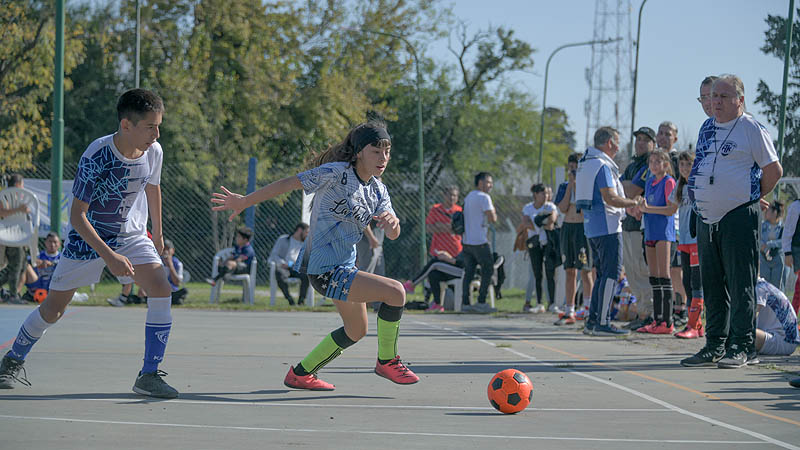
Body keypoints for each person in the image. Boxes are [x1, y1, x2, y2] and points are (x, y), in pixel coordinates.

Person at [211, 121, 419, 390]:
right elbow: (288, 183)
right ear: (358, 152)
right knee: (396, 292)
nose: (383, 158)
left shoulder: (378, 190)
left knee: (356, 331)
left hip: (343, 269)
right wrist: (244, 201)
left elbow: (393, 233)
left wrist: (393, 224)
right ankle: (387, 360)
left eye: (387, 151)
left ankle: (301, 373)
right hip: (323, 269)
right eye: (376, 151)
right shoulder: (335, 173)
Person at [0, 88, 179, 398]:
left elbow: (153, 190)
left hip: (132, 235)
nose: (156, 133)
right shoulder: (96, 155)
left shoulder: (155, 151)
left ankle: (149, 374)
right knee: (54, 308)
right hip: (89, 239)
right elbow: (77, 215)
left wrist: (158, 235)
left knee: (161, 287)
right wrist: (108, 256)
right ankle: (12, 360)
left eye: (158, 125)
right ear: (126, 125)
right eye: (150, 126)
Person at [682, 74, 783, 368]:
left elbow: (773, 170)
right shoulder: (707, 127)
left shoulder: (750, 128)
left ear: (740, 99)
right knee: (711, 283)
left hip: (739, 216)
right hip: (707, 217)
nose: (716, 102)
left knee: (741, 282)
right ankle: (715, 343)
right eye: (713, 96)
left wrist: (749, 197)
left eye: (724, 96)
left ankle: (743, 345)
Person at [575, 126, 642, 336]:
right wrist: (633, 202)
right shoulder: (602, 165)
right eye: (617, 142)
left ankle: (593, 319)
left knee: (602, 274)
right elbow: (610, 198)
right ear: (610, 143)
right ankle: (602, 322)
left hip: (593, 226)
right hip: (607, 225)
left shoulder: (586, 163)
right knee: (611, 273)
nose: (619, 147)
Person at [635, 151, 677, 334]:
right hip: (650, 231)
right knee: (653, 276)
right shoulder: (649, 182)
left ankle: (667, 322)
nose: (654, 164)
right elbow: (645, 207)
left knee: (664, 275)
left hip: (664, 233)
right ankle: (657, 319)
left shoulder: (669, 181)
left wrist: (648, 208)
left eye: (658, 161)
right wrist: (639, 209)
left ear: (666, 164)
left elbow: (671, 209)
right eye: (651, 161)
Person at [619, 127, 655, 330]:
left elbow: (632, 190)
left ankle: (649, 313)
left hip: (642, 225)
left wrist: (624, 186)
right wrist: (624, 186)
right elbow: (618, 187)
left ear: (652, 144)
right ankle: (641, 312)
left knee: (642, 270)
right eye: (638, 139)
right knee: (631, 272)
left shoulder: (650, 165)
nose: (640, 143)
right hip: (628, 222)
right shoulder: (633, 165)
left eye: (645, 140)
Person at [668, 151, 705, 339]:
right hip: (683, 241)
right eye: (681, 165)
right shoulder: (680, 187)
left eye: (688, 164)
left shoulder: (700, 184)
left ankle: (693, 324)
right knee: (687, 282)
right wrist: (646, 209)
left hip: (697, 241)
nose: (684, 168)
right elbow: (670, 209)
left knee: (697, 283)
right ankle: (696, 325)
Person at [554, 153, 594, 325]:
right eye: (571, 167)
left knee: (585, 269)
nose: (573, 170)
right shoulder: (564, 186)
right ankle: (569, 309)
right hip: (567, 228)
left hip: (581, 229)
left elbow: (583, 209)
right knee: (569, 270)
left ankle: (588, 308)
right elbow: (562, 208)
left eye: (576, 167)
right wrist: (570, 186)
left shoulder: (586, 186)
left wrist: (577, 187)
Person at [655, 121, 687, 325]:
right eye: (661, 133)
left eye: (668, 134)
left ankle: (682, 309)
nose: (664, 137)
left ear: (675, 138)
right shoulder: (654, 161)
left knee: (676, 270)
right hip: (656, 222)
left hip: (676, 222)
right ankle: (661, 311)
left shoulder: (678, 160)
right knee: (660, 270)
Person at [460, 172, 497, 313]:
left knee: (469, 272)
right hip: (480, 241)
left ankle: (466, 303)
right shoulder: (484, 197)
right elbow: (493, 218)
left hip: (467, 241)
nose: (490, 185)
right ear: (480, 183)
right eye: (488, 182)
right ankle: (481, 301)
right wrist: (493, 211)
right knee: (488, 269)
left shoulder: (469, 196)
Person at [520, 183, 558, 314]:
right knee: (537, 273)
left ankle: (552, 303)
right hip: (534, 243)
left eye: (547, 193)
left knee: (550, 272)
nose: (546, 196)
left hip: (548, 242)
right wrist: (540, 223)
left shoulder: (550, 206)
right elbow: (525, 223)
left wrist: (538, 223)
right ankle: (539, 303)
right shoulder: (528, 208)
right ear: (536, 195)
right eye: (543, 193)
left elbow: (551, 221)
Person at [0, 174, 30, 304]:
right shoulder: (5, 196)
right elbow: (2, 213)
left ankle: (13, 293)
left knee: (22, 265)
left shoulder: (22, 198)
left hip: (19, 235)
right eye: (22, 185)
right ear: (18, 185)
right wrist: (19, 209)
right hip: (7, 235)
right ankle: (13, 295)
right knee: (16, 264)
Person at [753, 278, 799, 357]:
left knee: (743, 333)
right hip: (789, 340)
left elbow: (749, 322)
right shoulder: (763, 285)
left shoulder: (758, 288)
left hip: (784, 341)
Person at [268, 223, 310, 305]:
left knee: (306, 275)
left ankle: (301, 301)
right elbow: (274, 255)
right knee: (279, 273)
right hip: (283, 267)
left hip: (296, 268)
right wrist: (282, 263)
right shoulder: (283, 240)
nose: (307, 235)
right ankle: (289, 299)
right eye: (306, 232)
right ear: (299, 230)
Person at [19, 233, 62, 302]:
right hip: (37, 284)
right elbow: (26, 259)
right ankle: (16, 294)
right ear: (45, 243)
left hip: (53, 286)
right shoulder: (39, 255)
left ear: (59, 244)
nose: (52, 244)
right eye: (50, 241)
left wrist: (51, 263)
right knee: (25, 265)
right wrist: (35, 261)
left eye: (55, 242)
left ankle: (57, 296)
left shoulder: (62, 257)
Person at [760, 201, 785, 290]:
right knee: (764, 286)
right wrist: (762, 246)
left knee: (776, 287)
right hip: (763, 258)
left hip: (777, 258)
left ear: (775, 212)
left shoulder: (783, 228)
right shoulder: (762, 225)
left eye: (768, 210)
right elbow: (758, 238)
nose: (766, 212)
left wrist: (769, 244)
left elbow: (784, 241)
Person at [783, 198, 800, 314]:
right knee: (799, 289)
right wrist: (787, 252)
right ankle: (792, 321)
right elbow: (788, 229)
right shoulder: (796, 206)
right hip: (798, 249)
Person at [160, 239, 187, 305]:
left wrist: (170, 266)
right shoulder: (157, 262)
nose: (166, 252)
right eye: (163, 249)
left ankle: (171, 299)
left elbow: (177, 283)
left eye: (168, 249)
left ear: (173, 251)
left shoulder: (177, 263)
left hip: (172, 290)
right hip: (159, 290)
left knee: (184, 291)